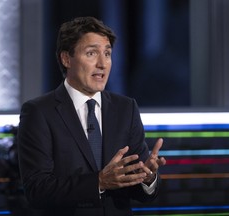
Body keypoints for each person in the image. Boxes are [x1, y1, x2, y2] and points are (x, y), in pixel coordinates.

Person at [17, 16, 166, 216]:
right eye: (91, 53)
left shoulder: (126, 108)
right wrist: (98, 182)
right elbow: (37, 190)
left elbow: (138, 192)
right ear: (66, 59)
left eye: (107, 54)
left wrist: (147, 178)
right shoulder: (39, 112)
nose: (102, 64)